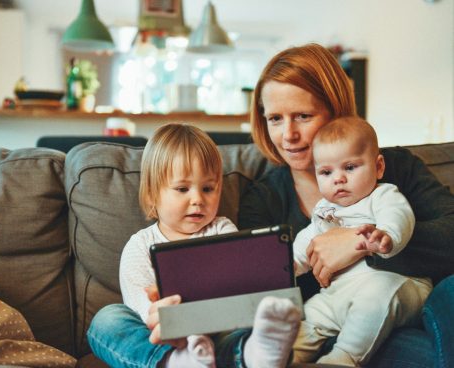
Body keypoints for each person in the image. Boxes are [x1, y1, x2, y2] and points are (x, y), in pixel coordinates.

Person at [238, 43, 454, 367]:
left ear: (335, 110)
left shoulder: (394, 168)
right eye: (275, 119)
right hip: (328, 327)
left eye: (302, 116)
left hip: (409, 311)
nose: (289, 135)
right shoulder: (264, 198)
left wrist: (359, 242)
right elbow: (263, 286)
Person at [87, 123, 301, 368]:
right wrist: (165, 318)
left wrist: (269, 271)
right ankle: (176, 362)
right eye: (182, 189)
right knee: (106, 320)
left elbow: (239, 283)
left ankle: (255, 355)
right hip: (165, 338)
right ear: (151, 194)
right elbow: (140, 307)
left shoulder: (222, 229)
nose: (198, 199)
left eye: (208, 188)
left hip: (219, 331)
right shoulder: (139, 245)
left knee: (253, 323)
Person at [290, 116, 432, 365]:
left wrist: (387, 236)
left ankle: (342, 358)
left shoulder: (382, 195)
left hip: (396, 285)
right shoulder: (324, 209)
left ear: (378, 167)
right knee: (310, 313)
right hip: (339, 294)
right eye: (326, 172)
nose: (338, 179)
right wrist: (289, 265)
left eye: (350, 167)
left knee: (375, 296)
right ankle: (286, 356)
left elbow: (398, 215)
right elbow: (308, 240)